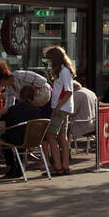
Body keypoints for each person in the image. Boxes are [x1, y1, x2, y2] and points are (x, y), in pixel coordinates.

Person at [0, 86, 44, 178]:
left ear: (20, 95)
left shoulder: (13, 109)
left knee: (4, 138)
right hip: (34, 139)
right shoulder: (37, 110)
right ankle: (20, 165)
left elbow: (8, 126)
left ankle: (12, 165)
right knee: (20, 135)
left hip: (18, 139)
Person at [43, 46, 75, 175]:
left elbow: (68, 91)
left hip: (61, 107)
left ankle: (58, 166)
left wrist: (57, 106)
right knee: (62, 136)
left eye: (50, 60)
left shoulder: (63, 71)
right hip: (64, 107)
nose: (49, 62)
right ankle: (64, 165)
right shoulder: (64, 70)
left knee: (51, 135)